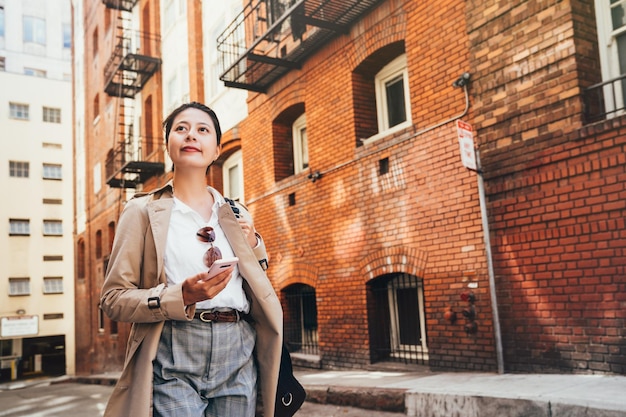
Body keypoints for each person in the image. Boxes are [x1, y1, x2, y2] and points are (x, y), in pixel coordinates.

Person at [100, 102, 283, 417]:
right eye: (181, 128)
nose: (191, 136)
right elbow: (113, 299)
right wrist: (180, 296)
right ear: (168, 145)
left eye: (203, 130)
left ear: (216, 150)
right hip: (173, 349)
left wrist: (253, 242)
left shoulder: (237, 212)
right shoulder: (141, 211)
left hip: (238, 348)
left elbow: (258, 284)